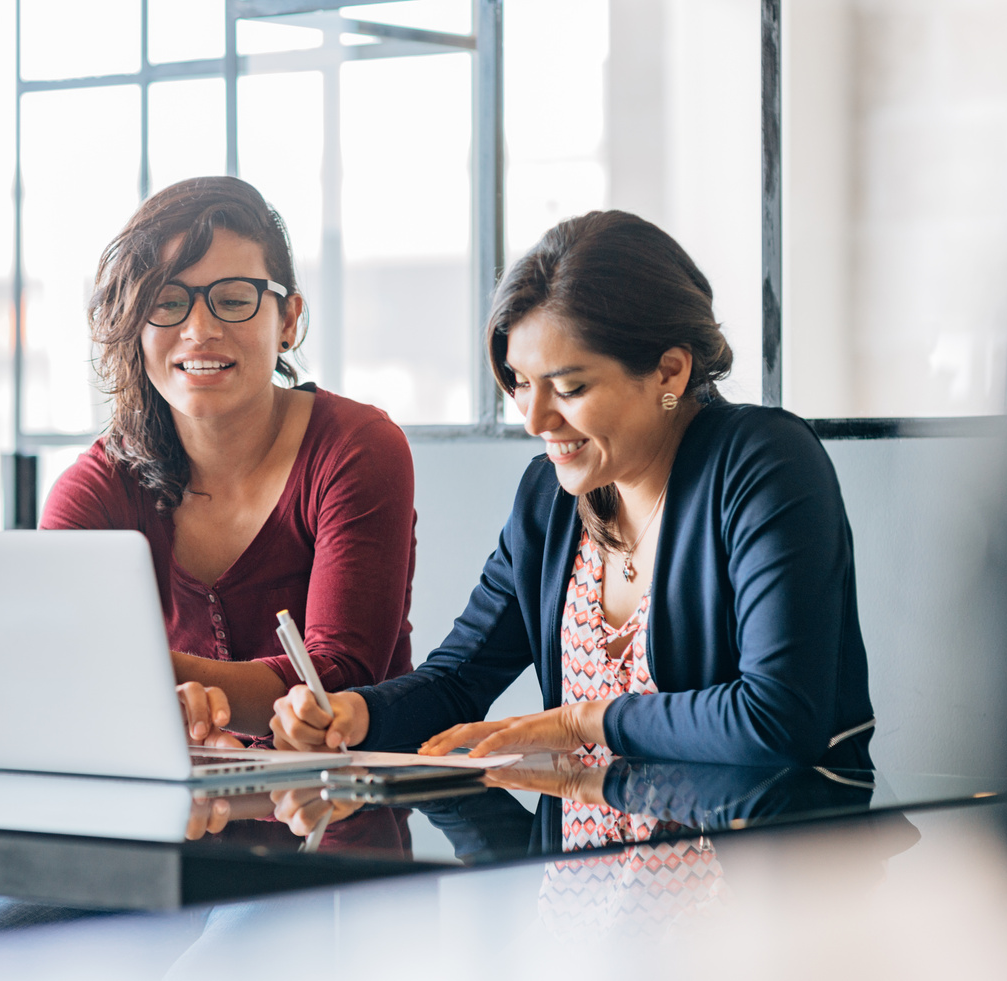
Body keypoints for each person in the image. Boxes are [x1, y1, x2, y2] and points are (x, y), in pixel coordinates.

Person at [270, 210, 876, 770]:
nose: (534, 420)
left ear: (670, 370)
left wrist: (584, 722)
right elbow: (458, 681)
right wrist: (359, 713)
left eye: (569, 387)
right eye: (521, 383)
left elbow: (776, 719)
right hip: (576, 876)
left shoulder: (763, 463)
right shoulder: (549, 498)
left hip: (762, 878)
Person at [40, 176, 417, 745]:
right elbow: (52, 662)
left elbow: (335, 677)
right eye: (167, 302)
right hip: (176, 817)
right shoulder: (98, 486)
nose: (200, 330)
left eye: (234, 299)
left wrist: (147, 684)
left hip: (348, 809)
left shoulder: (358, 448)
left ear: (287, 320)